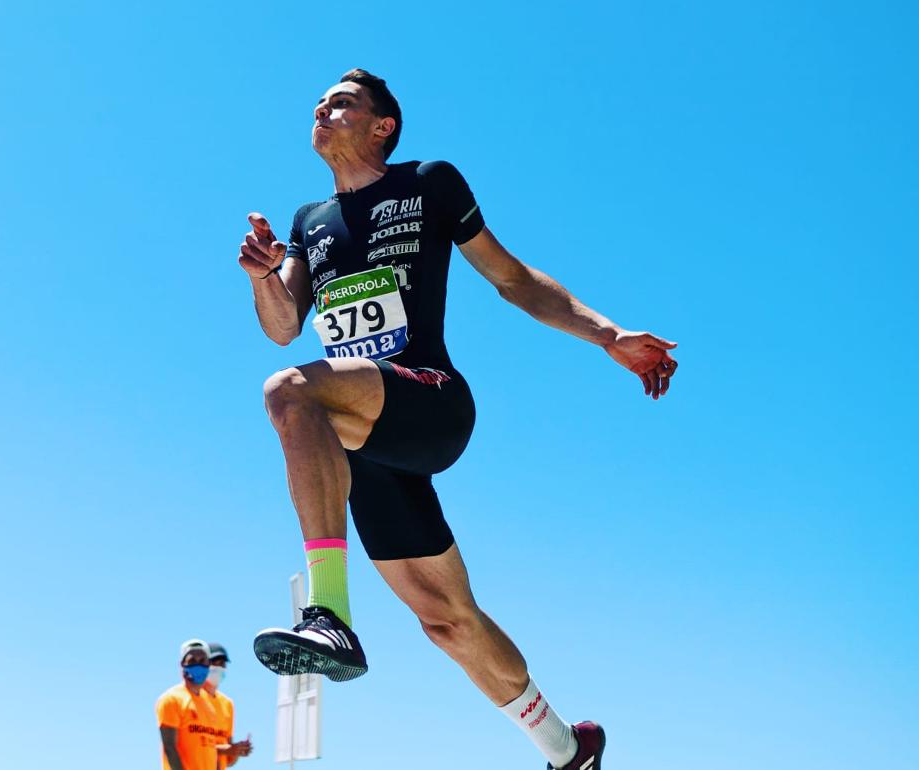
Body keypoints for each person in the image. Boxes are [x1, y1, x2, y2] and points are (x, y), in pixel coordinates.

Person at [237, 68, 679, 769]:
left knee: (288, 393)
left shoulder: (428, 182)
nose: (323, 107)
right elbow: (284, 324)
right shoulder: (307, 224)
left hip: (430, 401)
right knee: (447, 621)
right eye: (320, 102)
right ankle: (567, 748)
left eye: (343, 102)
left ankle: (329, 615)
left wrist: (609, 335)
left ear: (382, 126)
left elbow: (513, 279)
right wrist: (265, 274)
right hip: (363, 442)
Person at [156, 639, 253, 770]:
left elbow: (209, 750)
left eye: (202, 661)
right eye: (192, 660)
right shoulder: (171, 699)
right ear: (182, 664)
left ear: (208, 665)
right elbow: (170, 748)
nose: (198, 665)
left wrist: (235, 751)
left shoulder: (211, 704)